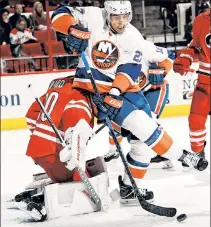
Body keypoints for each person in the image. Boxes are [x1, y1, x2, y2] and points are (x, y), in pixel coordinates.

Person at [50, 0, 208, 205]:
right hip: (90, 88)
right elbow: (58, 15)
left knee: (143, 140)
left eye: (126, 16)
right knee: (139, 123)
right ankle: (183, 156)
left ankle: (130, 186)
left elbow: (129, 69)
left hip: (121, 89)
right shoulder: (92, 15)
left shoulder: (133, 36)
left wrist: (115, 92)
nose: (122, 21)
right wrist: (71, 29)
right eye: (117, 16)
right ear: (107, 14)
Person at [10, 75, 109, 221]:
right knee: (77, 182)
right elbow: (76, 135)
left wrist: (40, 136)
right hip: (52, 152)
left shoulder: (62, 85)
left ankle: (33, 193)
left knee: (71, 175)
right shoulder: (81, 102)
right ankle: (38, 201)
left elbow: (31, 116)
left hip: (40, 148)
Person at [103, 45, 176, 170]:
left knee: (148, 123)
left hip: (153, 89)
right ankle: (114, 150)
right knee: (116, 119)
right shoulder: (109, 58)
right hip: (130, 93)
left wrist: (161, 69)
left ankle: (162, 154)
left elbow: (171, 55)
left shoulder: (144, 48)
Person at [173, 7, 210, 167]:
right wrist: (186, 57)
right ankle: (197, 153)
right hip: (204, 81)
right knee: (195, 119)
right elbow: (196, 47)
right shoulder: (201, 20)